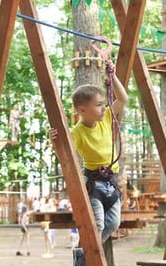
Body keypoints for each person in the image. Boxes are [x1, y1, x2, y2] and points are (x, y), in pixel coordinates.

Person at [50, 60, 128, 244]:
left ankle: (86, 252)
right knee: (98, 224)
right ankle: (89, 254)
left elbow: (123, 99)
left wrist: (113, 76)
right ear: (83, 110)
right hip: (94, 183)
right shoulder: (76, 133)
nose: (104, 107)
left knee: (113, 223)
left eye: (103, 104)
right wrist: (55, 141)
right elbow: (65, 156)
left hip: (111, 181)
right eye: (99, 104)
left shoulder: (106, 117)